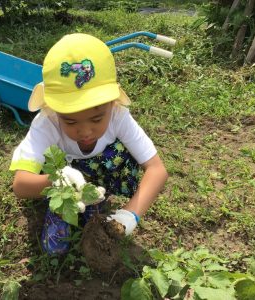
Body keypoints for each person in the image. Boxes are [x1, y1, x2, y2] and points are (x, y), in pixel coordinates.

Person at [10, 33, 168, 255]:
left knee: (120, 154)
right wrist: (57, 182)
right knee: (55, 248)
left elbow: (156, 169)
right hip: (60, 184)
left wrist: (129, 215)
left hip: (97, 176)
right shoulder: (47, 121)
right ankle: (61, 209)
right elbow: (20, 184)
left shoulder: (118, 115)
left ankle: (95, 199)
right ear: (54, 110)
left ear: (112, 103)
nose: (85, 131)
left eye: (96, 119)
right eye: (70, 120)